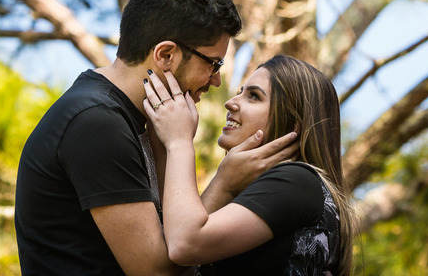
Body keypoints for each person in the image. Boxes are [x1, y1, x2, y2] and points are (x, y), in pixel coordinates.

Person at [15, 0, 300, 276]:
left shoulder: (136, 121)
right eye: (213, 63)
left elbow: (175, 239)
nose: (216, 80)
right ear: (166, 55)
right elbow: (156, 270)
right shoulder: (97, 122)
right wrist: (223, 184)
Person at [143, 54, 356, 275]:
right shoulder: (282, 188)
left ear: (294, 123)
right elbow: (173, 261)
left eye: (254, 96)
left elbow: (184, 245)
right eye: (240, 92)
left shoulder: (298, 180)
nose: (230, 102)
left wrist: (179, 142)